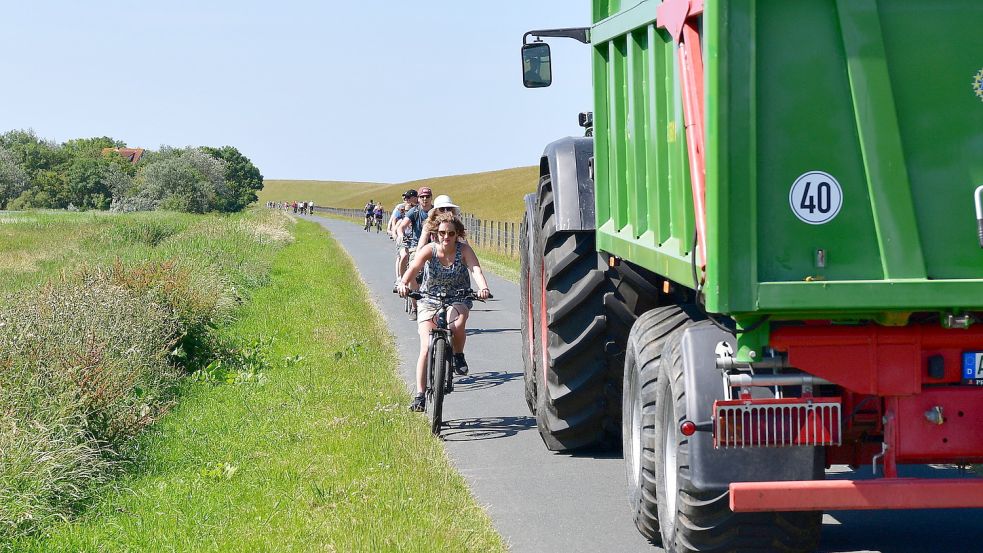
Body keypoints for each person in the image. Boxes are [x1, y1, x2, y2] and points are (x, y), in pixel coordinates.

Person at [397, 212, 491, 412]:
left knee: (455, 324)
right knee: (425, 347)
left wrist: (483, 288)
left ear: (457, 234)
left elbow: (475, 270)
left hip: (458, 297)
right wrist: (403, 283)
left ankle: (458, 355)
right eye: (442, 233)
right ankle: (420, 396)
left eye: (450, 233)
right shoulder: (429, 250)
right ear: (435, 233)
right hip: (429, 299)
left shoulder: (464, 250)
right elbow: (414, 268)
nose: (446, 237)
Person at [396, 187, 433, 320]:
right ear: (418, 198)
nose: (425, 199)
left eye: (427, 196)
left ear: (431, 198)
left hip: (434, 247)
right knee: (412, 270)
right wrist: (400, 235)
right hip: (415, 246)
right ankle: (414, 306)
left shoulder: (435, 212)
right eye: (422, 197)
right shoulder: (414, 211)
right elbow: (402, 226)